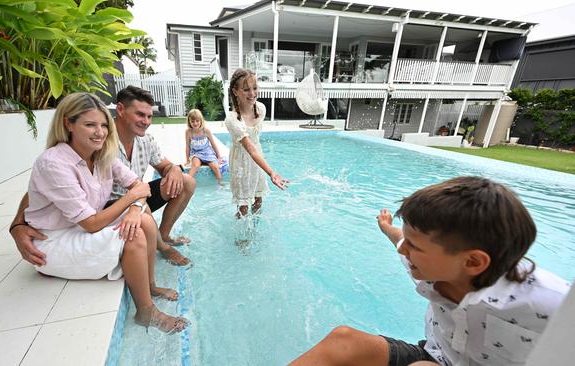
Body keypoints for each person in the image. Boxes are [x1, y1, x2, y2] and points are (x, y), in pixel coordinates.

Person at [290, 176, 570, 366]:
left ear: (473, 262)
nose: (403, 250)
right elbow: (401, 240)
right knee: (344, 341)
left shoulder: (552, 303)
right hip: (438, 355)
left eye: (414, 245)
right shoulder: (433, 265)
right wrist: (387, 228)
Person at [20, 92, 187, 333]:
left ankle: (150, 286)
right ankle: (145, 311)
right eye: (90, 125)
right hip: (53, 242)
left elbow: (140, 187)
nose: (99, 132)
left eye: (103, 125)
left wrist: (134, 208)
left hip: (79, 227)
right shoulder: (53, 163)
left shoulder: (100, 156)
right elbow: (90, 223)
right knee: (135, 234)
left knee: (145, 222)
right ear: (69, 124)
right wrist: (131, 200)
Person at [11, 86, 193, 267]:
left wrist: (175, 169)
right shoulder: (94, 140)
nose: (146, 121)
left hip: (135, 197)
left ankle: (163, 235)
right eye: (139, 114)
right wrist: (17, 224)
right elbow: (47, 185)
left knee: (186, 182)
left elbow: (164, 167)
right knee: (142, 211)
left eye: (149, 116)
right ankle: (160, 246)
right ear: (120, 109)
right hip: (103, 207)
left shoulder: (146, 140)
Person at [225, 68, 288, 217]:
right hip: (241, 162)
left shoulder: (261, 109)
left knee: (259, 199)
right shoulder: (233, 119)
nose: (252, 93)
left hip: (258, 160)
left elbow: (256, 147)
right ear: (235, 92)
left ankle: (253, 230)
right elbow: (250, 150)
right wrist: (271, 172)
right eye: (246, 89)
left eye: (255, 88)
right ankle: (240, 239)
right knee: (244, 207)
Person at [184, 108, 224, 185]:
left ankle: (220, 184)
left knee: (215, 167)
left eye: (197, 121)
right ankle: (186, 183)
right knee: (195, 165)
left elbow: (213, 144)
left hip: (207, 152)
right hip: (196, 153)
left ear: (201, 121)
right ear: (189, 121)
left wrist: (219, 157)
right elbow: (187, 147)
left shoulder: (206, 131)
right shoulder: (188, 132)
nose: (195, 123)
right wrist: (187, 160)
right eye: (192, 121)